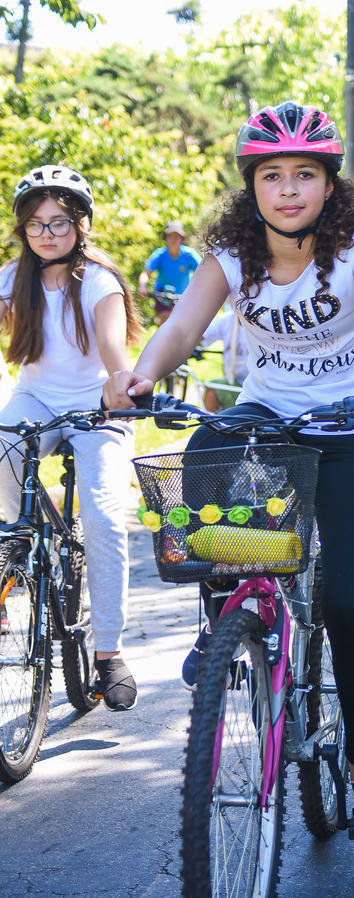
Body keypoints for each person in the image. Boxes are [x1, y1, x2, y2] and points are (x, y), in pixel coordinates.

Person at [103, 100, 354, 842]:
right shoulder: (230, 251)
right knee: (201, 452)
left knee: (349, 601)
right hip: (267, 415)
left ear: (329, 184)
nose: (288, 190)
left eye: (305, 175)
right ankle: (226, 614)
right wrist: (141, 376)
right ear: (251, 185)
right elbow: (183, 325)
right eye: (272, 174)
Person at [0, 164, 142, 710]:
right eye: (36, 224)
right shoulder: (15, 278)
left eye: (59, 222)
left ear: (82, 225)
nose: (47, 234)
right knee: (4, 455)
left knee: (105, 516)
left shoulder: (99, 281)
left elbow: (112, 348)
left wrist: (118, 385)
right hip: (35, 398)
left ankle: (109, 652)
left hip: (95, 404)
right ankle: (26, 541)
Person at [138, 221, 201, 325]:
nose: (173, 239)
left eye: (176, 236)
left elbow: (202, 273)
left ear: (181, 239)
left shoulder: (189, 254)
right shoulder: (160, 254)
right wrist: (142, 286)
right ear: (166, 238)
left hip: (183, 295)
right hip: (163, 295)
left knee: (186, 325)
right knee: (165, 319)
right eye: (170, 236)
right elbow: (146, 273)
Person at [197, 305, 249, 412]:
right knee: (213, 389)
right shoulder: (227, 320)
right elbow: (199, 337)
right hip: (235, 382)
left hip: (262, 386)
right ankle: (216, 426)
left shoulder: (265, 322)